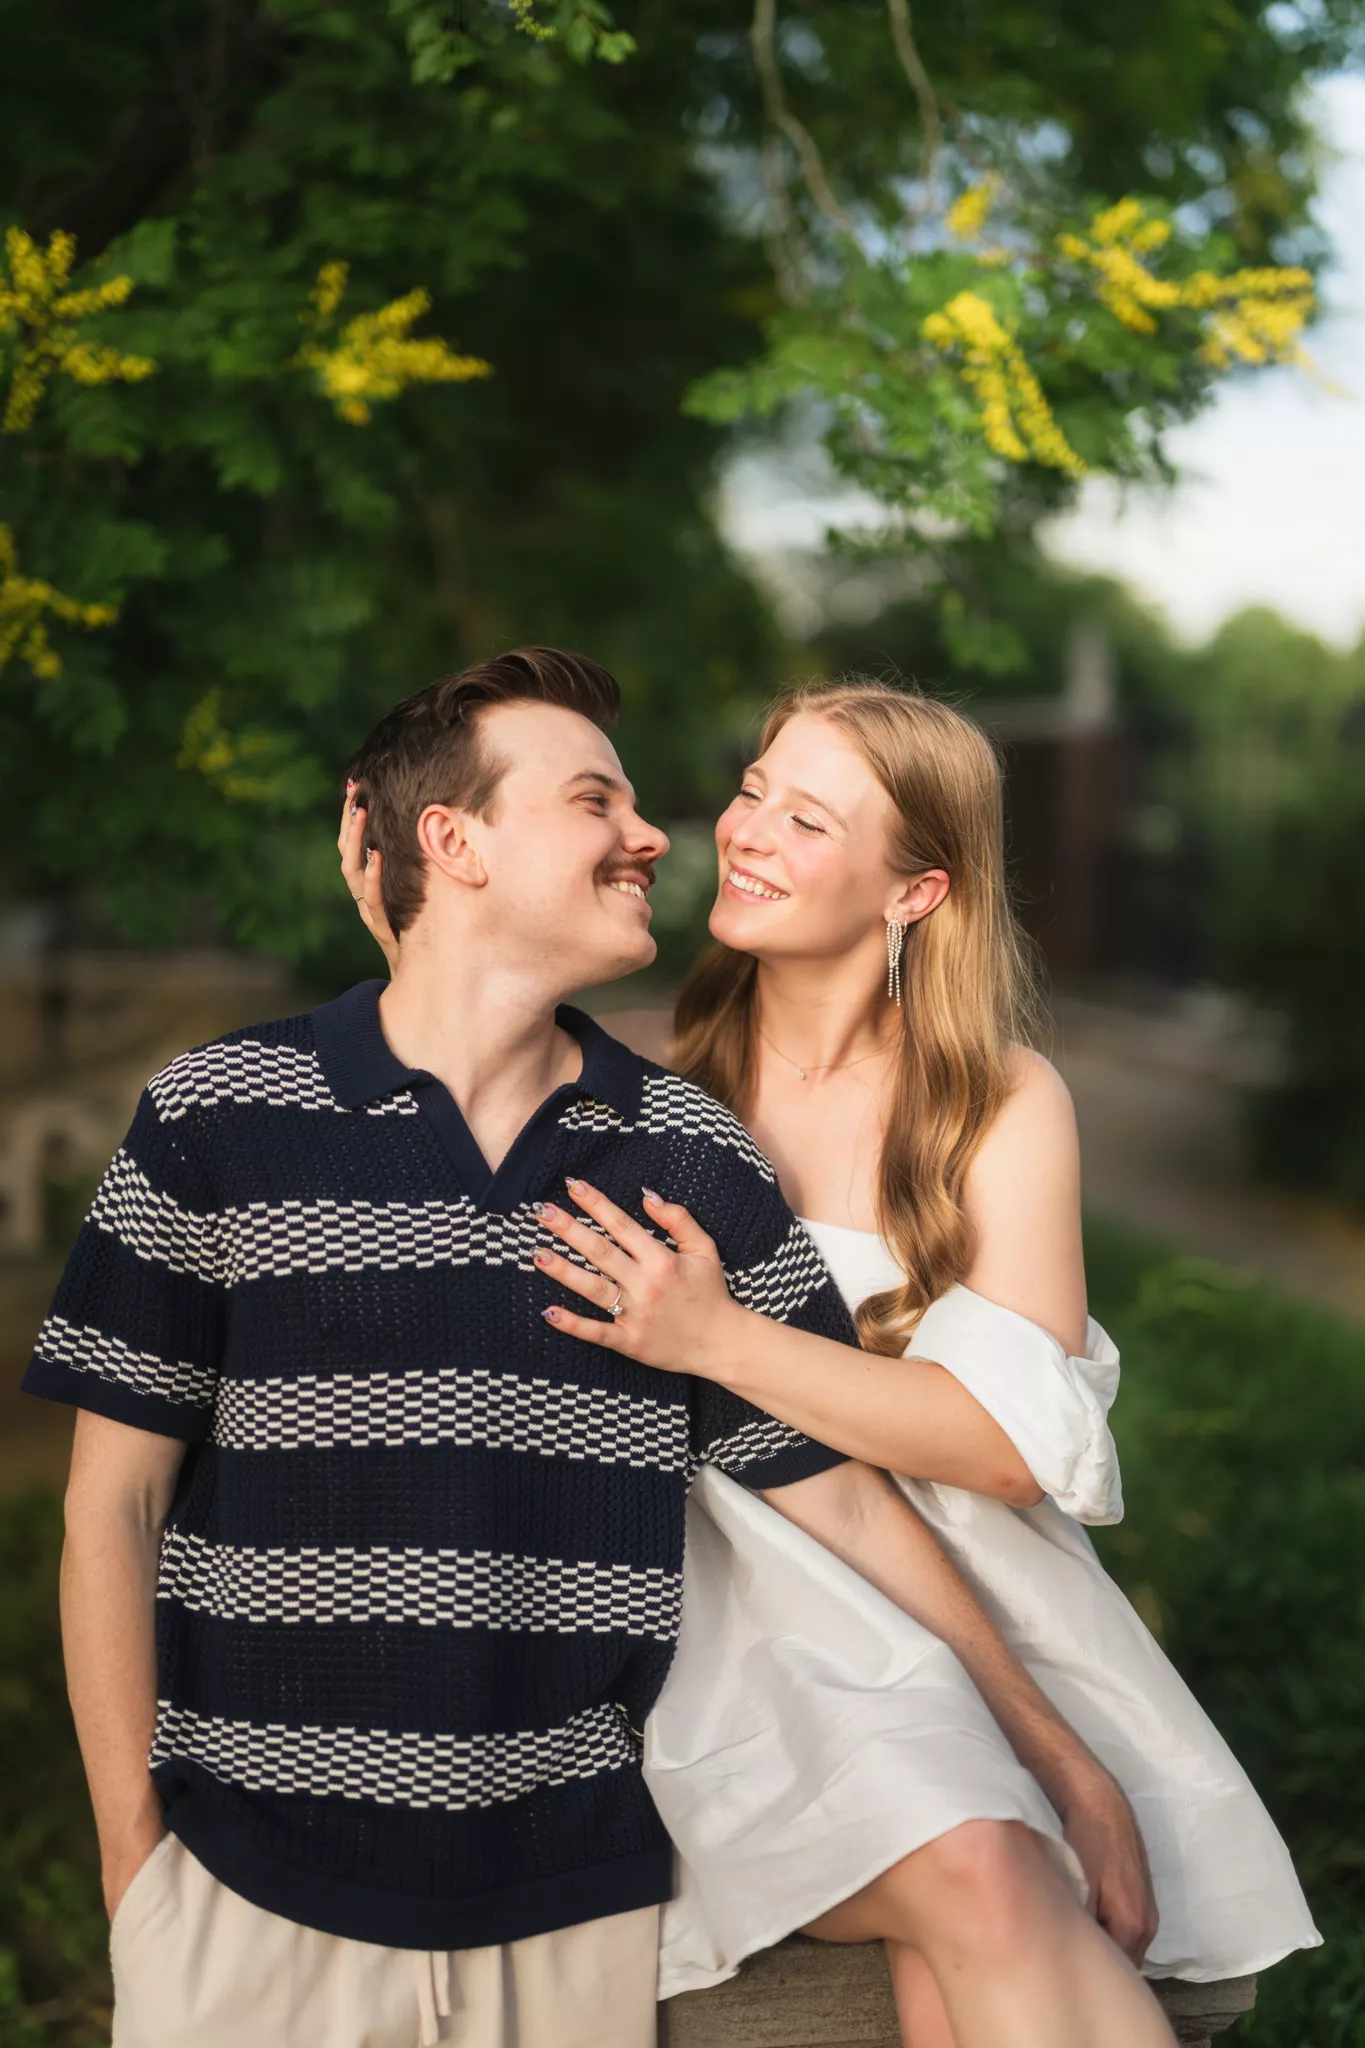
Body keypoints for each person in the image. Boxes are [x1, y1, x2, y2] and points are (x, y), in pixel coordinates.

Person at [28, 649, 1175, 2048]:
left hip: (566, 1916)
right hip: (247, 1893)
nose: (667, 835)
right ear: (451, 844)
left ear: (915, 892)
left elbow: (847, 1499)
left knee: (984, 1890)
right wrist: (134, 1863)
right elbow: (111, 1507)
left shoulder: (686, 1151)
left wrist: (1057, 1756)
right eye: (597, 802)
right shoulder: (216, 1115)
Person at [344, 671, 1319, 2047]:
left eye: (806, 821)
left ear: (912, 892)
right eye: (754, 792)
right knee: (970, 1861)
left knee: (969, 1920)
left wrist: (717, 1337)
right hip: (740, 1593)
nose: (743, 831)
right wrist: (395, 911)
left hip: (970, 1577)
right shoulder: (637, 1074)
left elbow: (998, 1442)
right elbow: (432, 1047)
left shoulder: (989, 1100)